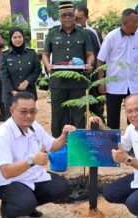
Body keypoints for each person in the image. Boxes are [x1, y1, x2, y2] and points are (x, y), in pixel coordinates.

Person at [0, 92, 73, 218]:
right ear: (12, 110)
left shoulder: (34, 126)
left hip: (34, 177)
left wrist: (64, 135)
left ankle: (29, 205)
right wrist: (32, 161)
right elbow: (6, 172)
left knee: (63, 189)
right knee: (25, 202)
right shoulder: (2, 135)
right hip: (11, 181)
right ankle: (8, 212)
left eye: (32, 111)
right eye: (23, 112)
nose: (29, 116)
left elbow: (53, 146)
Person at [42, 1, 94, 137]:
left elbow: (90, 54)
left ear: (74, 16)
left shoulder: (84, 33)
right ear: (59, 17)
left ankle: (78, 147)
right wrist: (48, 66)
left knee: (79, 115)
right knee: (58, 115)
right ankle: (59, 146)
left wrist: (89, 64)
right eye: (64, 15)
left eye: (70, 15)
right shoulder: (52, 33)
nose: (67, 18)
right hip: (58, 83)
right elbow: (45, 54)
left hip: (78, 83)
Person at [97, 8, 138, 129]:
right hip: (114, 85)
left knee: (135, 118)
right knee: (113, 119)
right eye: (135, 21)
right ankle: (114, 146)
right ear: (125, 23)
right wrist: (101, 82)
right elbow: (100, 60)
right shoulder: (111, 37)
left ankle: (134, 145)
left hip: (133, 84)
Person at [0, 27, 42, 119]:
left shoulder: (31, 53)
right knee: (10, 121)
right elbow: (4, 75)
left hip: (28, 93)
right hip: (10, 94)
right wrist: (12, 91)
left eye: (20, 37)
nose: (17, 39)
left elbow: (37, 70)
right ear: (11, 39)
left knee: (28, 119)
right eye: (14, 37)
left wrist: (28, 81)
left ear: (23, 38)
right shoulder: (5, 55)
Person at [75, 5, 104, 121]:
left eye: (79, 19)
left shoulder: (92, 33)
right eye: (75, 18)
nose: (76, 21)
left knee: (94, 106)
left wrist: (98, 78)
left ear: (86, 18)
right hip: (74, 79)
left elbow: (99, 56)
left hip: (90, 78)